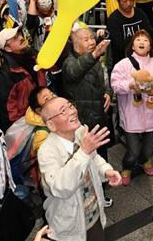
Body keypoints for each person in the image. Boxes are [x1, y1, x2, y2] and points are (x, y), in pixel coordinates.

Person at [38, 97, 122, 241]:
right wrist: (83, 152)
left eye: (70, 106)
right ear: (51, 125)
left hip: (94, 213)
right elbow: (60, 187)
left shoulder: (81, 131)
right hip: (70, 225)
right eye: (63, 111)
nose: (72, 111)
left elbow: (94, 158)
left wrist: (106, 171)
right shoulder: (46, 151)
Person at [111, 30, 153, 185]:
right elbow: (115, 86)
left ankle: (145, 161)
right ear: (132, 45)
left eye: (145, 40)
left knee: (149, 150)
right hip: (131, 115)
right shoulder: (123, 65)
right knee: (133, 150)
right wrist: (130, 85)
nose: (142, 42)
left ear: (150, 46)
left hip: (152, 115)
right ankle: (127, 167)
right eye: (138, 39)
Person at [61, 28, 112, 206]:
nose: (91, 42)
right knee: (86, 159)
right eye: (86, 39)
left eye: (92, 38)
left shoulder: (95, 60)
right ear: (75, 45)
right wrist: (95, 54)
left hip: (98, 116)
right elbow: (75, 71)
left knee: (101, 155)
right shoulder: (69, 63)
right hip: (83, 121)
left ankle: (103, 189)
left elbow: (104, 79)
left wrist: (107, 92)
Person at [107, 0, 153, 71]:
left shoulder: (140, 13)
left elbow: (150, 33)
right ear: (118, 1)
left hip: (144, 60)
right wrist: (139, 37)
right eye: (124, 1)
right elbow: (119, 45)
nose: (128, 4)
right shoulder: (113, 19)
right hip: (123, 63)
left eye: (131, 0)